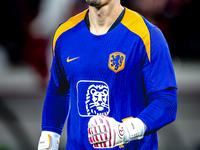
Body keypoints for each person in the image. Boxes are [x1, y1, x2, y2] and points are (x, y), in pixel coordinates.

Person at [37, 0, 178, 149]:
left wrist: (126, 131)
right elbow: (58, 91)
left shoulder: (147, 35)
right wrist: (49, 139)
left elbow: (166, 102)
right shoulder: (64, 34)